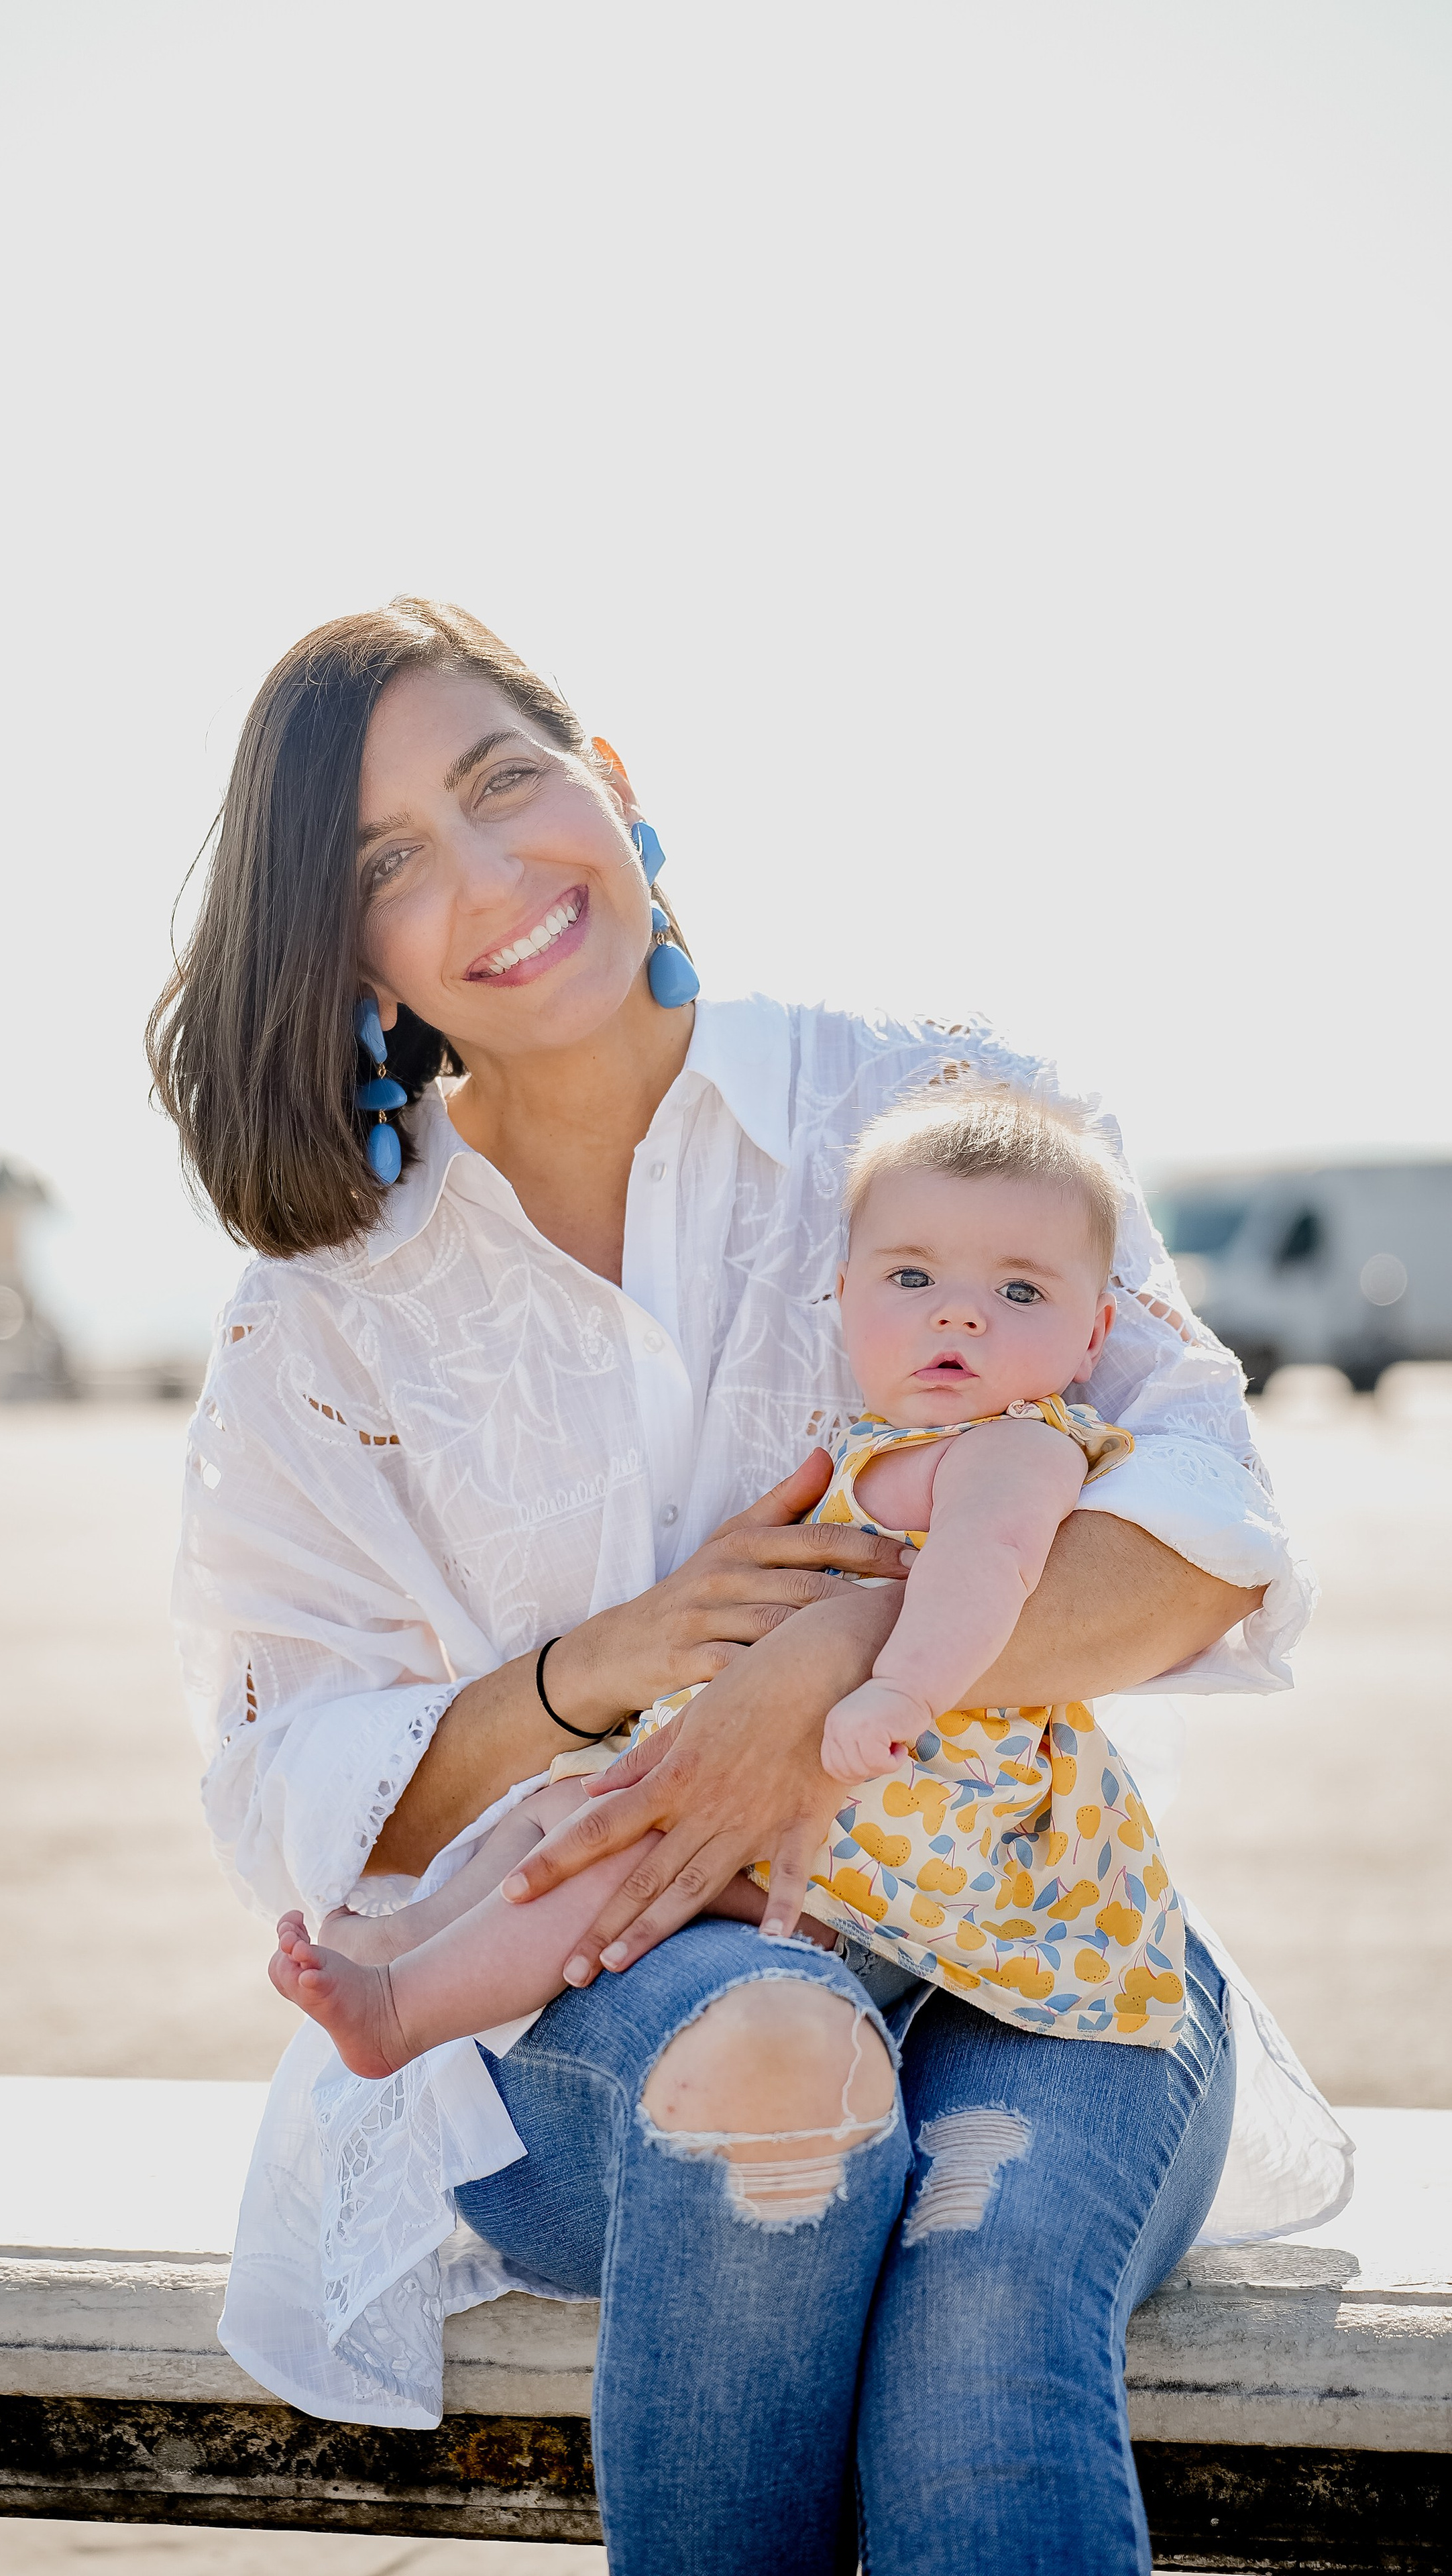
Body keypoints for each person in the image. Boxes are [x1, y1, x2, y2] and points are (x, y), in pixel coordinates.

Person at [152, 598, 1345, 2576]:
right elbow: (288, 1794)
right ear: (353, 961)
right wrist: (602, 1673)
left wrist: (828, 1660)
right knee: (772, 2056)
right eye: (386, 867)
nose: (486, 877)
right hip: (608, 2013)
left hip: (1034, 1950)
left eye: (503, 783)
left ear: (611, 786)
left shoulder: (931, 1108)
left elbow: (1203, 1533)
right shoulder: (327, 1323)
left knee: (988, 2297)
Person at [270, 1084, 1189, 2079]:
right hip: (836, 1792)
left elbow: (991, 1568)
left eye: (1020, 1292)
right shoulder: (890, 1444)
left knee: (613, 1851)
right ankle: (406, 1938)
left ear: (1092, 1336)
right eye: (914, 1277)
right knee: (554, 1812)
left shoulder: (1017, 1446)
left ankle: (402, 2015)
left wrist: (902, 1689)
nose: (959, 1313)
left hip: (907, 1810)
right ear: (845, 1295)